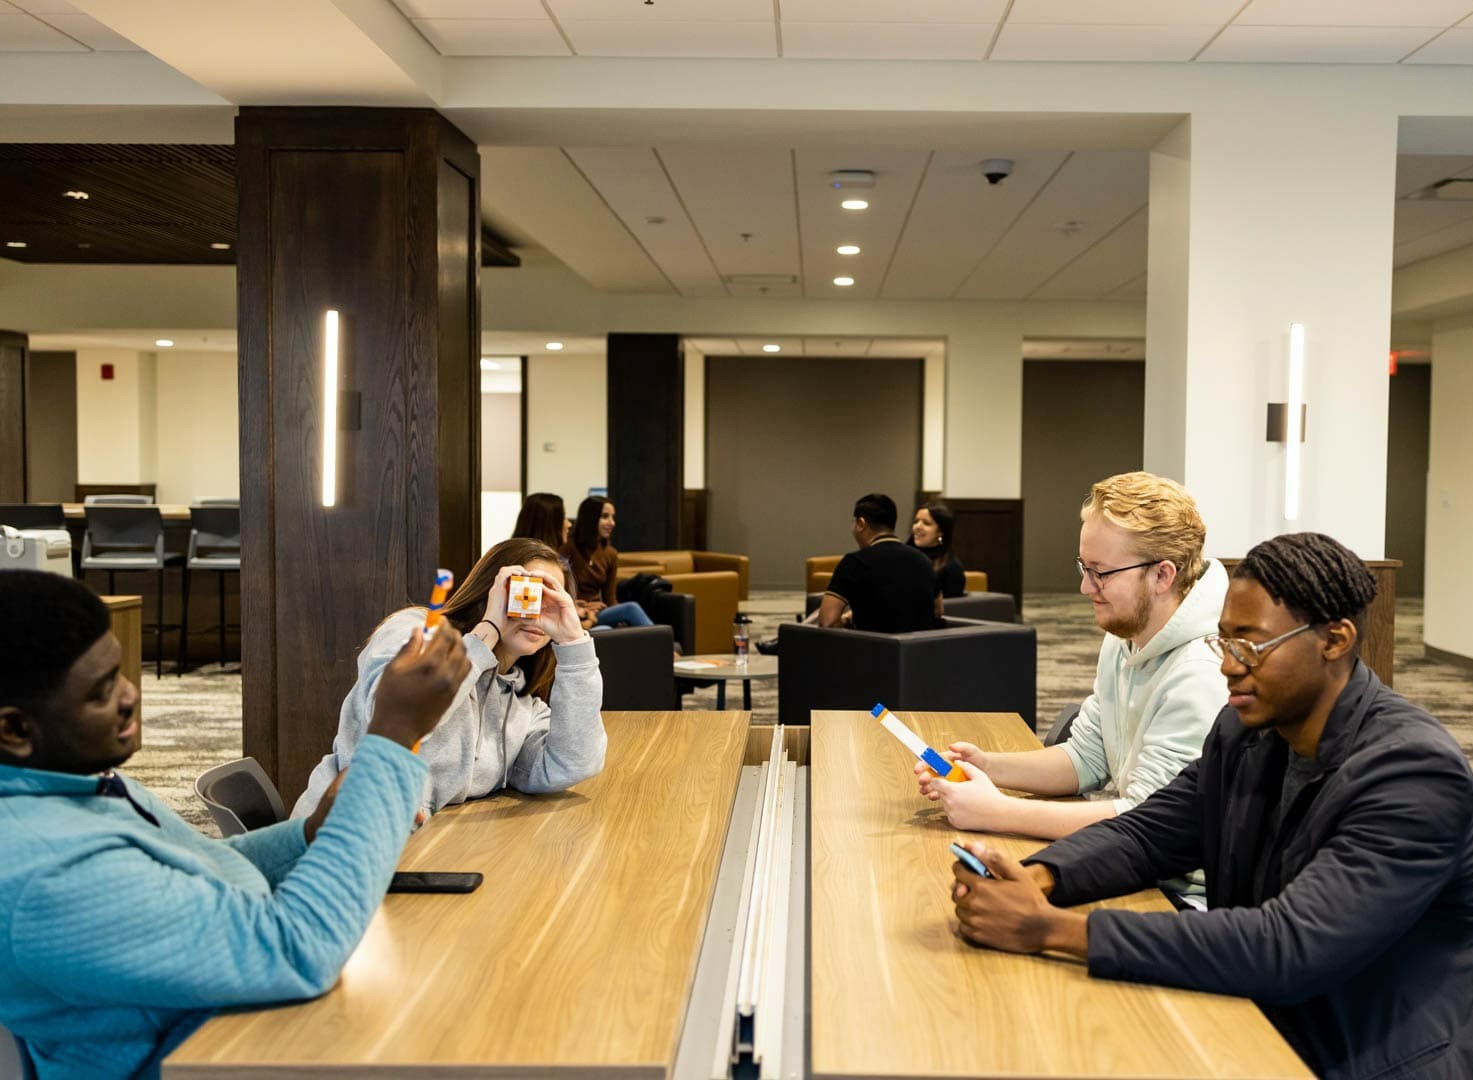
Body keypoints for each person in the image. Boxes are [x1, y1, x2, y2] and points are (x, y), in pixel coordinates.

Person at [948, 532, 1473, 1080]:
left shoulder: (1413, 771)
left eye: (1250, 644)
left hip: (1367, 1057)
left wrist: (1050, 930)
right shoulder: (1248, 729)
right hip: (1256, 1015)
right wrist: (1035, 881)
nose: (1228, 667)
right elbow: (1148, 834)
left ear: (1334, 640)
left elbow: (1290, 947)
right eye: (1224, 643)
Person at [0, 569, 470, 1080]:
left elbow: (202, 868)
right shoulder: (47, 873)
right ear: (15, 729)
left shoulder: (68, 782)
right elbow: (296, 947)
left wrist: (308, 834)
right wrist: (394, 732)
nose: (131, 695)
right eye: (101, 691)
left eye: (121, 672)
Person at [918, 472, 1227, 867]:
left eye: (1100, 572)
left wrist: (996, 812)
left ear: (1162, 575)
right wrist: (987, 767)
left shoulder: (1202, 673)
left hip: (1179, 893)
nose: (1084, 587)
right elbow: (1086, 757)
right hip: (1134, 857)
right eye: (1084, 566)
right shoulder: (1125, 634)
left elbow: (1146, 823)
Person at [293, 537, 605, 821]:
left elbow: (571, 763)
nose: (534, 611)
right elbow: (396, 717)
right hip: (336, 833)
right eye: (525, 593)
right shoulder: (416, 631)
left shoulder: (517, 702)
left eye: (550, 600)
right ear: (491, 592)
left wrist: (574, 641)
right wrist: (489, 629)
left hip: (427, 851)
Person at [818, 493, 940, 633]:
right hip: (920, 651)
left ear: (861, 524)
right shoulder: (924, 560)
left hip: (873, 650)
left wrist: (847, 619)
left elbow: (826, 622)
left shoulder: (854, 562)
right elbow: (938, 611)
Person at [563, 496, 654, 631]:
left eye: (613, 517)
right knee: (609, 625)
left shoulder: (610, 553)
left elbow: (610, 598)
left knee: (620, 619)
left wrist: (618, 617)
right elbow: (561, 591)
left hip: (599, 613)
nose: (612, 523)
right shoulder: (568, 548)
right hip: (572, 613)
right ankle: (666, 647)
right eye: (605, 516)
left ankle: (665, 648)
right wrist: (584, 606)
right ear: (590, 518)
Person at [909, 501, 966, 598]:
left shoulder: (951, 567)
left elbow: (953, 607)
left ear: (940, 532)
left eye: (926, 523)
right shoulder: (903, 556)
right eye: (916, 521)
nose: (918, 527)